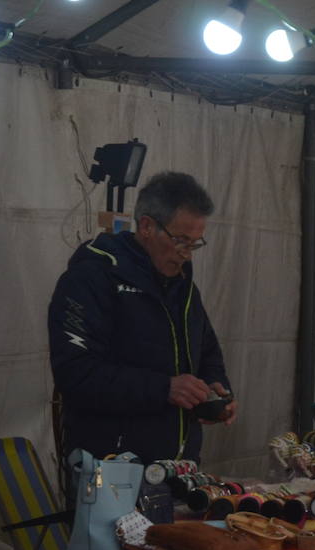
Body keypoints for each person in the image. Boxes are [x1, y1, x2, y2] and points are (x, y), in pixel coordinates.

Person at [48, 171, 235, 466]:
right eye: (180, 241)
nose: (187, 254)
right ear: (147, 226)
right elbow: (76, 373)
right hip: (110, 471)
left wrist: (215, 389)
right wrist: (165, 388)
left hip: (179, 469)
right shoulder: (91, 279)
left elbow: (207, 351)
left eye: (195, 244)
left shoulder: (183, 286)